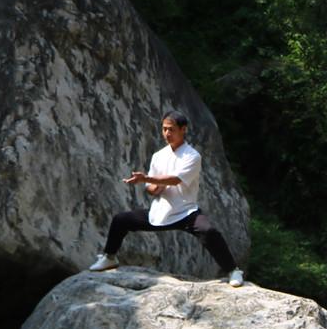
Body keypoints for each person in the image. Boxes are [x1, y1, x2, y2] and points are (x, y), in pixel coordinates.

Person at [89, 111, 244, 287]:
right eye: (164, 129)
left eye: (171, 129)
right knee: (121, 220)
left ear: (183, 129)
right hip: (160, 211)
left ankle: (233, 270)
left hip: (186, 212)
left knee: (209, 232)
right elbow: (151, 189)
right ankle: (109, 257)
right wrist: (153, 186)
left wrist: (146, 179)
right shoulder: (159, 156)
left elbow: (176, 179)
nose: (167, 134)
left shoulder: (192, 156)